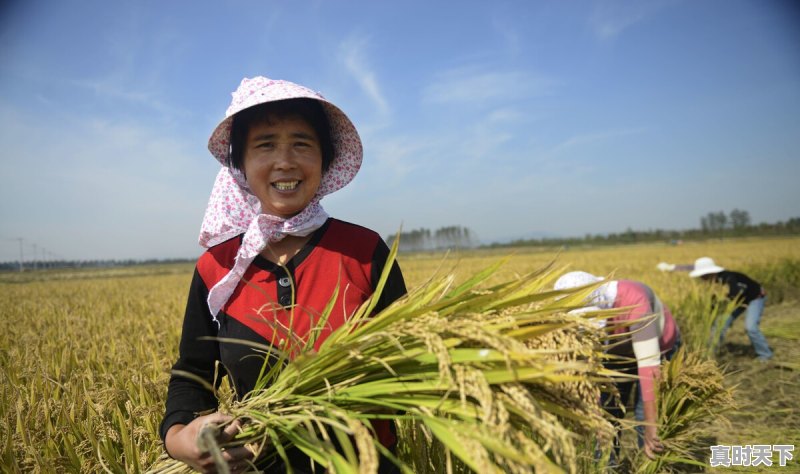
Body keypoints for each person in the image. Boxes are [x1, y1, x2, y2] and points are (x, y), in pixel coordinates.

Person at [159, 76, 407, 473]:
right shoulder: (217, 267)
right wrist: (180, 438)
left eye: (302, 143)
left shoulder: (364, 252)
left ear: (325, 159)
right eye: (266, 144)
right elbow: (192, 376)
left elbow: (410, 362)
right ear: (239, 164)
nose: (285, 161)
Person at [554, 271, 681, 461]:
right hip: (615, 356)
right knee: (606, 414)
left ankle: (647, 462)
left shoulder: (634, 300)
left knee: (643, 416)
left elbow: (649, 368)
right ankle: (606, 466)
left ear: (603, 303)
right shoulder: (562, 318)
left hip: (658, 350)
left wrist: (651, 427)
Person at [689, 257, 772, 361]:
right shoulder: (711, 283)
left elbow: (735, 295)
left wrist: (722, 302)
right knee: (718, 325)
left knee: (751, 327)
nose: (702, 278)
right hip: (736, 301)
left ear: (711, 272)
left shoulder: (729, 278)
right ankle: (709, 356)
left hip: (755, 298)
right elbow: (714, 302)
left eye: (703, 276)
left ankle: (765, 354)